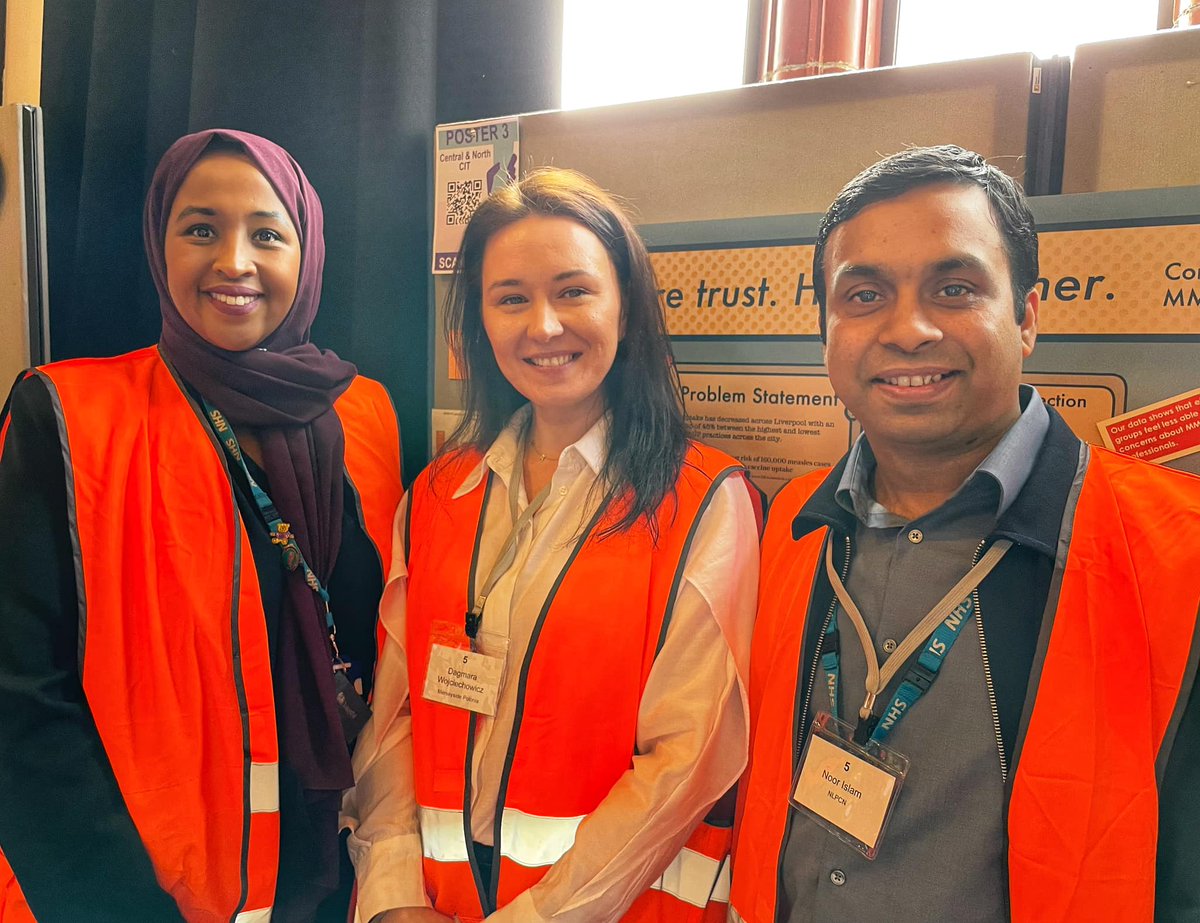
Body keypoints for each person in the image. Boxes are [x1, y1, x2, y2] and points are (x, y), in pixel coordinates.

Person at [729, 145, 1200, 923]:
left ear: (1028, 318)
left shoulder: (1176, 553)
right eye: (865, 295)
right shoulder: (795, 526)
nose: (908, 330)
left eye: (955, 288)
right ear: (826, 333)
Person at [0, 129, 404, 922]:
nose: (234, 261)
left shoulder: (367, 416)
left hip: (343, 870)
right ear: (159, 245)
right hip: (141, 890)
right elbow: (19, 695)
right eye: (200, 228)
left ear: (307, 251)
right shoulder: (65, 416)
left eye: (267, 233)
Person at [343, 168, 760, 923]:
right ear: (477, 322)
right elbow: (398, 716)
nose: (543, 325)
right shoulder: (437, 496)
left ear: (625, 309)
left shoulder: (703, 501)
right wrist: (391, 896)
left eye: (573, 291)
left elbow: (687, 760)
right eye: (511, 298)